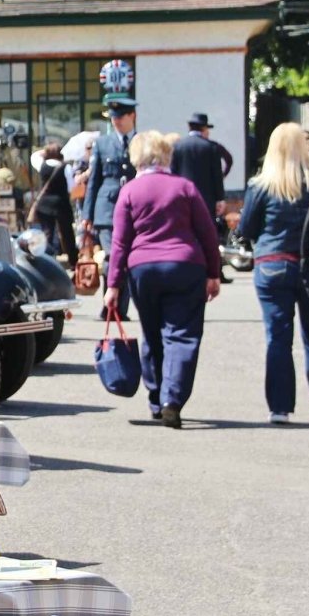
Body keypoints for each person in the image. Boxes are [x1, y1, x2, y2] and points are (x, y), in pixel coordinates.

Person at [103, 131, 221, 429]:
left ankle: (156, 398)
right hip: (185, 265)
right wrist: (214, 273)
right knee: (182, 335)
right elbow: (208, 233)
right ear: (166, 155)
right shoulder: (184, 188)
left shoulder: (129, 191)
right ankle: (173, 400)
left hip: (143, 269)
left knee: (152, 333)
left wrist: (113, 285)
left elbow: (119, 243)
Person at [236, 123, 309, 424]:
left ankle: (280, 408)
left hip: (272, 263)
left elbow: (246, 228)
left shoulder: (261, 184)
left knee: (277, 337)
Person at [83, 95, 139, 317]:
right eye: (113, 117)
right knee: (111, 257)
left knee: (126, 259)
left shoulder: (141, 142)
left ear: (132, 116)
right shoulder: (103, 144)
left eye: (121, 116)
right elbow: (94, 181)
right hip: (107, 209)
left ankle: (120, 308)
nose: (116, 121)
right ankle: (110, 308)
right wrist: (87, 214)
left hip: (135, 209)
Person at [171, 112, 230, 280]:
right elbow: (216, 175)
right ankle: (213, 269)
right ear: (203, 128)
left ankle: (185, 265)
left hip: (183, 198)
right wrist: (220, 198)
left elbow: (173, 173)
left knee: (184, 232)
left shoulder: (178, 146)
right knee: (209, 235)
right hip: (206, 198)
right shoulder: (210, 147)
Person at [30, 140, 76, 259]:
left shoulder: (42, 165)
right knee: (67, 233)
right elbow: (71, 187)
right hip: (61, 203)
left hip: (44, 204)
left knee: (47, 233)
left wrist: (46, 151)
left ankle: (47, 258)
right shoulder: (66, 167)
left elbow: (34, 156)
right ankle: (72, 259)